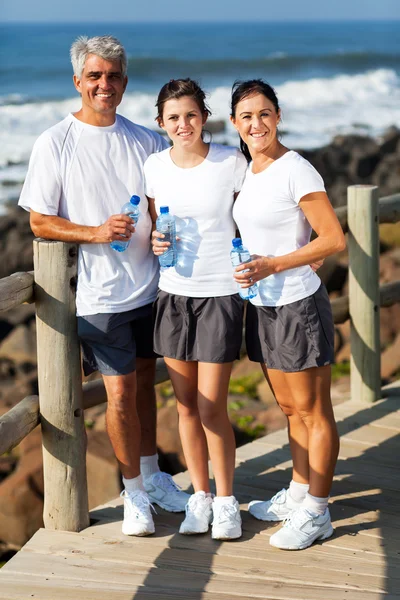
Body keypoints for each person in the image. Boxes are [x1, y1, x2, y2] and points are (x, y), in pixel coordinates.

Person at [18, 35, 190, 537]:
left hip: (152, 288)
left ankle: (155, 477)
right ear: (78, 81)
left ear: (125, 82)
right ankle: (133, 493)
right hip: (100, 298)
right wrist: (94, 232)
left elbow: (174, 191)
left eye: (113, 76)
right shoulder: (55, 142)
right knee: (117, 397)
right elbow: (40, 221)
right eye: (94, 76)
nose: (104, 84)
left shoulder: (146, 138)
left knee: (143, 387)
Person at [230, 79, 346, 550]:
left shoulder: (296, 169)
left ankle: (318, 511)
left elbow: (332, 238)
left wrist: (276, 264)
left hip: (297, 303)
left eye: (264, 113)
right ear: (235, 124)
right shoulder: (248, 169)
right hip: (263, 305)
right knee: (290, 408)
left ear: (278, 116)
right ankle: (299, 491)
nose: (256, 124)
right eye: (246, 116)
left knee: (315, 411)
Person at [144, 78, 248, 540]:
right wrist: (154, 240)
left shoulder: (230, 161)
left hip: (219, 294)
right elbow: (151, 228)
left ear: (204, 117)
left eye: (190, 115)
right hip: (172, 292)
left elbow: (255, 215)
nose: (182, 124)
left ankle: (227, 502)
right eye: (173, 118)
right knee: (185, 406)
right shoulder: (154, 166)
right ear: (161, 124)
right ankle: (199, 497)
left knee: (211, 407)